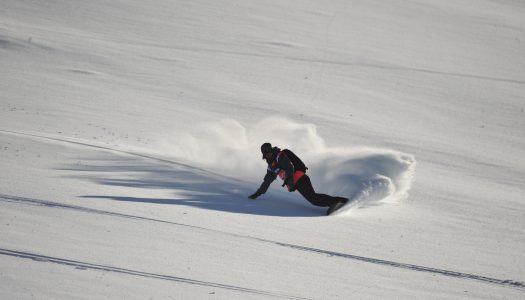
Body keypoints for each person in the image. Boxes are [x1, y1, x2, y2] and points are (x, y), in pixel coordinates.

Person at [248, 143, 348, 215]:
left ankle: (337, 202)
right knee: (313, 198)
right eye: (265, 153)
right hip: (296, 183)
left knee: (313, 199)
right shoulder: (271, 167)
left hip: (300, 178)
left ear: (271, 150)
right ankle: (338, 201)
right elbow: (267, 182)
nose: (268, 154)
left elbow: (289, 167)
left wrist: (290, 180)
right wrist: (258, 193)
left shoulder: (279, 156)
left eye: (268, 152)